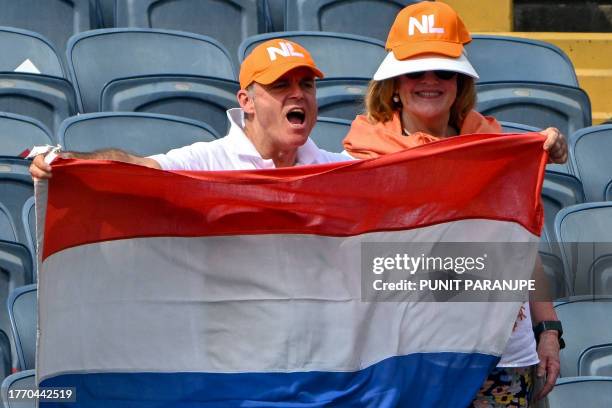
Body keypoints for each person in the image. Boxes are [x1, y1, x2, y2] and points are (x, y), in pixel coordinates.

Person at [342, 2, 563, 407]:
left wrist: (547, 328)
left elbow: (519, 247)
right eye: (415, 72)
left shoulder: (495, 149)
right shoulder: (362, 158)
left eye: (444, 71)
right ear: (394, 83)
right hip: (407, 357)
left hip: (499, 357)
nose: (430, 81)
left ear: (460, 82)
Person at [30, 38, 350, 178]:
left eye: (306, 84)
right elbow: (135, 168)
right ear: (246, 101)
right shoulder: (208, 162)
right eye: (281, 85)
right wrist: (69, 162)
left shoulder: (336, 169)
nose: (298, 94)